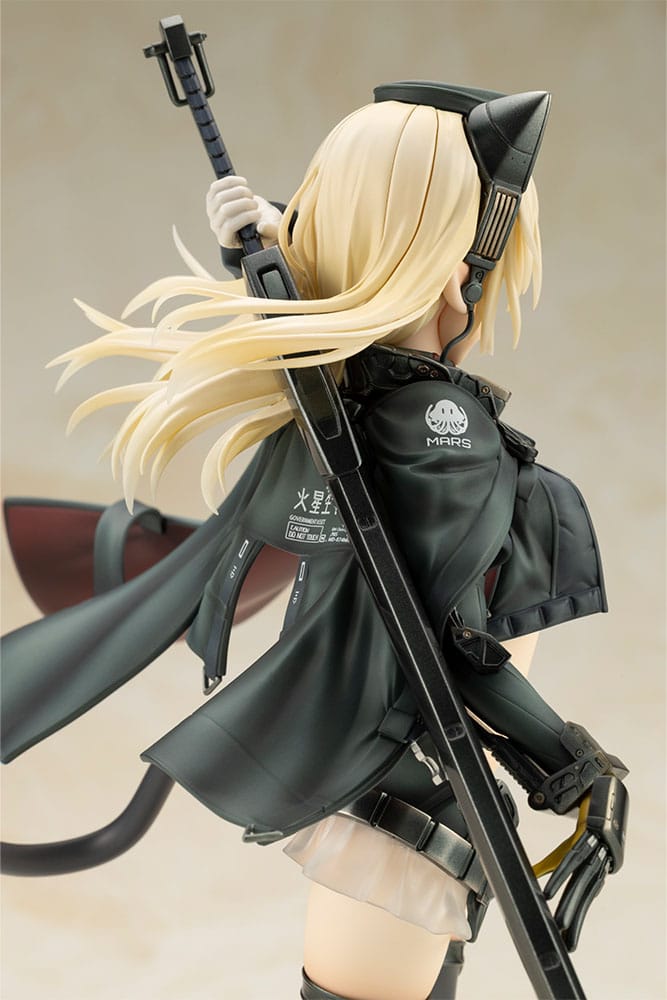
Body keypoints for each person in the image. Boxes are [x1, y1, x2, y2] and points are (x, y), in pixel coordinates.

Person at [1, 84, 628, 1000]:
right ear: (457, 270)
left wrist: (269, 248)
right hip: (404, 801)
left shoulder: (368, 404)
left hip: (396, 783)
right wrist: (576, 768)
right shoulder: (431, 425)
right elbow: (451, 647)